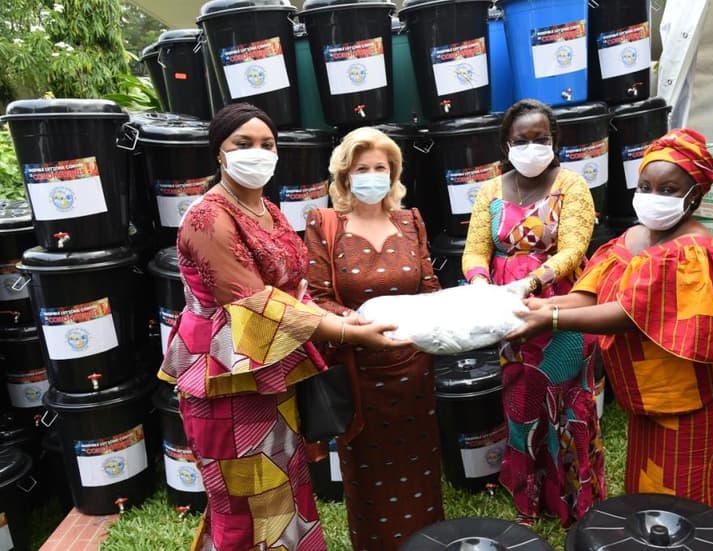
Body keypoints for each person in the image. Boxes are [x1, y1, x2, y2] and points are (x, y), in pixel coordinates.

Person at [158, 103, 405, 551]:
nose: (258, 153)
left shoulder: (268, 210)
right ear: (219, 152)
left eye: (267, 144)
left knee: (283, 493)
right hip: (224, 380)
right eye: (243, 144)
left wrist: (341, 316)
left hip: (272, 373)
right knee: (242, 507)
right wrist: (346, 333)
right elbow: (257, 302)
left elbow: (296, 287)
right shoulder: (207, 217)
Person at [508, 128, 713, 530]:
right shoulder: (630, 239)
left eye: (669, 189)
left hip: (701, 402)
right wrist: (544, 304)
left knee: (694, 503)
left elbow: (631, 314)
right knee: (649, 493)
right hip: (652, 400)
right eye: (646, 185)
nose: (653, 196)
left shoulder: (695, 252)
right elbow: (593, 296)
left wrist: (552, 318)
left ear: (694, 196)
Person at [461, 98, 606, 527]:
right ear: (507, 143)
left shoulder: (571, 185)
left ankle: (578, 502)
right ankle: (529, 501)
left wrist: (531, 281)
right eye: (521, 139)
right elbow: (475, 247)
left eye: (539, 139)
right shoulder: (490, 189)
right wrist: (479, 282)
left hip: (561, 310)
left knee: (569, 406)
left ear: (554, 140)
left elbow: (575, 249)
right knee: (520, 404)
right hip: (509, 317)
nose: (531, 146)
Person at [304, 126, 443, 550]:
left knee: (420, 472)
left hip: (415, 371)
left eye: (379, 167)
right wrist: (365, 327)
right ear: (345, 176)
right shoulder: (326, 223)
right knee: (370, 481)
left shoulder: (410, 220)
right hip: (359, 375)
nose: (371, 175)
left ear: (392, 172)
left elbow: (430, 288)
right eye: (361, 168)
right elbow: (317, 299)